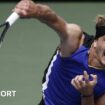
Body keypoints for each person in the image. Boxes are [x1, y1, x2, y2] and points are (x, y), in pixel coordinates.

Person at [13, 0, 105, 105]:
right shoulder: (76, 42)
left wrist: (87, 94)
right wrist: (36, 10)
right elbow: (54, 20)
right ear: (96, 42)